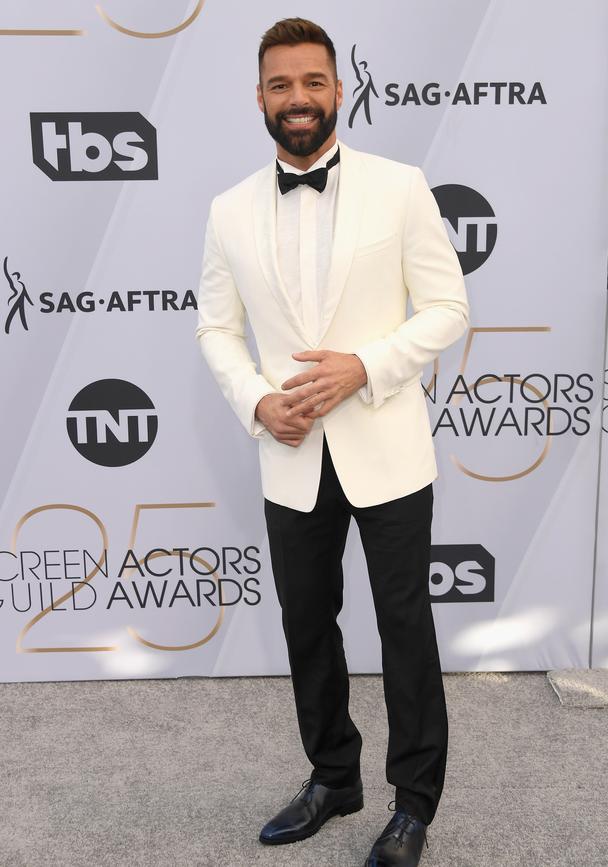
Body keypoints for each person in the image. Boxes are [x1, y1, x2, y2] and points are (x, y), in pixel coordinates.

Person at [196, 17, 469, 867]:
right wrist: (254, 403)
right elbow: (215, 328)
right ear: (260, 98)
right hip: (291, 455)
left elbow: (448, 308)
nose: (299, 99)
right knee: (308, 624)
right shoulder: (229, 208)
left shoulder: (400, 185)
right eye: (281, 85)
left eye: (313, 82)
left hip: (387, 447)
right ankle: (332, 777)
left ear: (338, 88)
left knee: (404, 626)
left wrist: (366, 365)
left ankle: (413, 805)